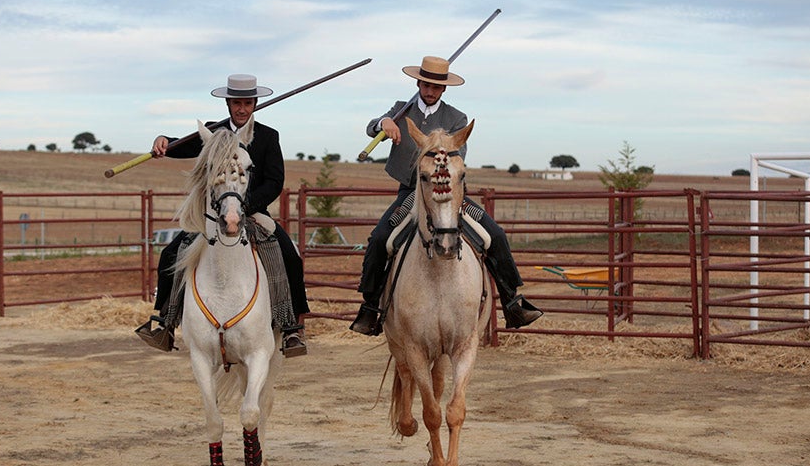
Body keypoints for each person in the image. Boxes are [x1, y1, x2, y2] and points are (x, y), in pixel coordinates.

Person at [350, 56, 543, 335]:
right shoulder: (400, 110)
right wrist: (384, 123)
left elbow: (457, 158)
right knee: (381, 238)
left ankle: (512, 302)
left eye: (436, 87)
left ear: (444, 90)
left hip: (451, 192)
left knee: (495, 236)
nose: (430, 91)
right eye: (426, 85)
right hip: (412, 192)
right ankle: (370, 307)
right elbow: (372, 126)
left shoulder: (457, 118)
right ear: (418, 82)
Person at [135, 74, 308, 357]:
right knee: (171, 253)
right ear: (228, 103)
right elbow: (183, 146)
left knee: (288, 254)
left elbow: (275, 181)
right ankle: (165, 322)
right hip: (213, 217)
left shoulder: (267, 136)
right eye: (237, 103)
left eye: (247, 103)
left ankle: (292, 328)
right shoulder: (213, 134)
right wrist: (164, 141)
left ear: (255, 103)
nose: (242, 108)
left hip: (252, 212)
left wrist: (244, 206)